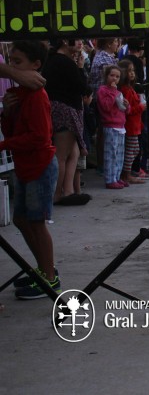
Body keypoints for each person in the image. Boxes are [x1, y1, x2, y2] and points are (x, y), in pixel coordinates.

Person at [1, 41, 61, 299]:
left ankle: (49, 277)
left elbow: (39, 137)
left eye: (18, 63)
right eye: (10, 62)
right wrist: (7, 111)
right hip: (27, 165)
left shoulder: (36, 96)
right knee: (22, 220)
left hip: (39, 165)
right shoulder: (20, 95)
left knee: (36, 223)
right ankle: (43, 269)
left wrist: (3, 144)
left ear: (35, 66)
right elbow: (12, 130)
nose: (12, 69)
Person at [42, 38, 89, 206]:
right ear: (63, 41)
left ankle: (68, 190)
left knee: (74, 153)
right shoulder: (63, 62)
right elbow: (82, 86)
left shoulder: (55, 60)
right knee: (61, 155)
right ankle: (57, 194)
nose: (80, 43)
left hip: (62, 108)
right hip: (65, 110)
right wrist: (81, 68)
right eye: (76, 40)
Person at [96, 65, 127, 189]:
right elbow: (106, 107)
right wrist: (113, 93)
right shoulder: (103, 90)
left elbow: (122, 109)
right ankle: (110, 179)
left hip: (120, 125)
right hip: (110, 125)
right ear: (106, 76)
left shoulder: (118, 92)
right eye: (112, 75)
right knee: (111, 154)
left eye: (117, 76)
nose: (114, 78)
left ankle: (117, 177)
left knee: (119, 154)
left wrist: (126, 105)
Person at [117, 60, 147, 185]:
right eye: (129, 71)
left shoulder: (130, 88)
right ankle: (126, 174)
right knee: (131, 150)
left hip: (135, 124)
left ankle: (127, 173)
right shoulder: (125, 90)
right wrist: (141, 107)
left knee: (134, 150)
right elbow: (128, 110)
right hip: (130, 125)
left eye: (133, 70)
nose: (132, 73)